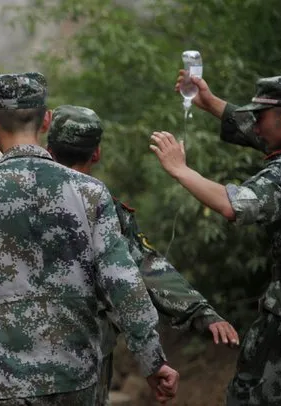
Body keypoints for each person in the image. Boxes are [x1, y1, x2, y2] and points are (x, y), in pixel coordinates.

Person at [0, 72, 179, 405]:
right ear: (47, 120)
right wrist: (153, 359)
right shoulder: (91, 193)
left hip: (1, 381)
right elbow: (123, 284)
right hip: (74, 379)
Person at [46, 104, 239, 405]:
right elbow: (146, 267)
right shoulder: (104, 208)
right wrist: (201, 312)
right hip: (85, 353)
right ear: (96, 153)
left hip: (12, 354)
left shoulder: (6, 194)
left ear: (48, 147)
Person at [151, 74, 281, 405]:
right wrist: (211, 104)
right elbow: (267, 134)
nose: (256, 126)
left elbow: (234, 204)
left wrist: (181, 170)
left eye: (260, 117)